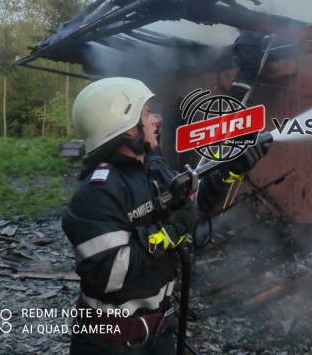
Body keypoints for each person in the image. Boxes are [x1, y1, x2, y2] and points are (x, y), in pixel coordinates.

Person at [62, 77, 268, 354]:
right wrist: (170, 231)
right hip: (112, 344)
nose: (156, 120)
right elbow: (111, 274)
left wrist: (228, 171)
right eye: (147, 114)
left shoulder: (153, 173)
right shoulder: (97, 192)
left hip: (160, 336)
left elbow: (194, 210)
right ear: (127, 129)